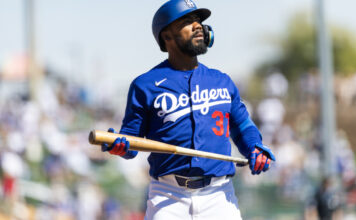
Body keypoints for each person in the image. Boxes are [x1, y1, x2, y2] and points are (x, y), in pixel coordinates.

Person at [101, 0, 276, 219]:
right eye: (187, 21)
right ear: (167, 37)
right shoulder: (144, 85)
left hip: (219, 195)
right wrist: (120, 146)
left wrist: (254, 147)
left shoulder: (222, 81)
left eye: (198, 21)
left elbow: (242, 126)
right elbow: (131, 143)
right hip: (168, 196)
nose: (197, 26)